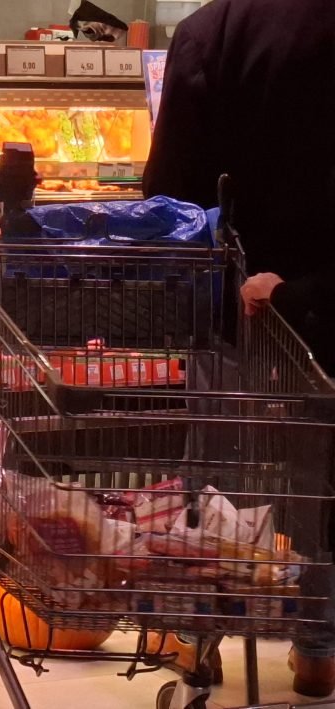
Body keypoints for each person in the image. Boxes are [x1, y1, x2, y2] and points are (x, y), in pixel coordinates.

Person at [144, 0, 335, 696]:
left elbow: (166, 193)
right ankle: (318, 649)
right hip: (321, 305)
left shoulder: (210, 31)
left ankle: (198, 639)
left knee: (218, 466)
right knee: (319, 478)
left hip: (229, 297)